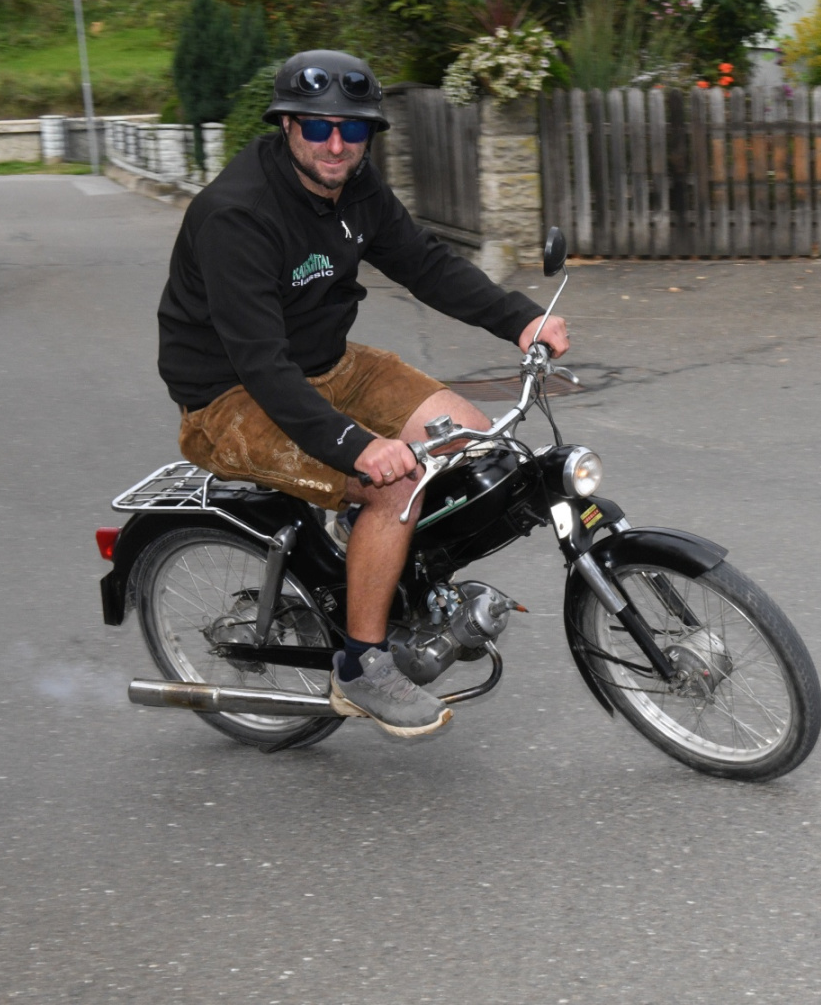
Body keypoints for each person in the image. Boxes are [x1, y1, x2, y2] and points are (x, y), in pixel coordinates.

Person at [156, 50, 568, 739]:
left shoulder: (355, 185)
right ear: (287, 125)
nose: (336, 144)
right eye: (318, 128)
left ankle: (378, 566)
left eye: (353, 129)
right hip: (231, 397)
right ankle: (360, 667)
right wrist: (357, 449)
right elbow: (263, 365)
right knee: (392, 485)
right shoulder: (237, 215)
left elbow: (423, 262)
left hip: (331, 363)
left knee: (471, 445)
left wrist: (519, 319)